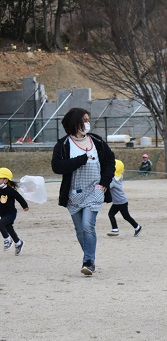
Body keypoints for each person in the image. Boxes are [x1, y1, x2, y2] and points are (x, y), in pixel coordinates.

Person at [51, 107, 115, 276]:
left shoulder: (97, 141)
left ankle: (89, 262)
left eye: (88, 120)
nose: (87, 123)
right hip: (73, 193)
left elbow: (110, 162)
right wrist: (81, 159)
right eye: (84, 120)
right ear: (75, 123)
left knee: (88, 226)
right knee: (80, 230)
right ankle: (89, 257)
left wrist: (104, 182)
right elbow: (57, 167)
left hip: (95, 190)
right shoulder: (63, 144)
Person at [107, 160, 142, 237]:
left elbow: (107, 186)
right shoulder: (119, 175)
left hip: (121, 201)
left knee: (124, 216)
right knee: (112, 214)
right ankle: (115, 229)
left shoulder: (113, 180)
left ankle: (137, 227)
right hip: (118, 201)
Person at [0, 167, 28, 256]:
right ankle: (18, 242)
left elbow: (19, 198)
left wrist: (25, 206)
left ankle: (7, 239)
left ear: (5, 180)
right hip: (3, 214)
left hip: (11, 213)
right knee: (9, 228)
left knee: (1, 224)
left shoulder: (10, 190)